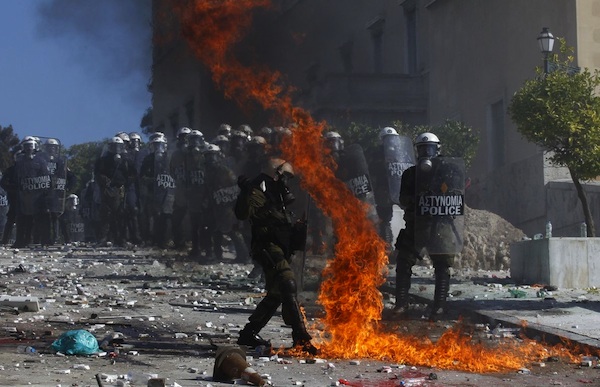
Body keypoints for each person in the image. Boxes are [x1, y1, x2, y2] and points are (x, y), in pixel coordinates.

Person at [234, 158, 317, 355]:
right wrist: (248, 191)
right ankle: (301, 337)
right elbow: (243, 214)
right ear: (275, 173)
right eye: (285, 176)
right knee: (287, 284)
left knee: (277, 293)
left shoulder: (276, 193)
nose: (287, 181)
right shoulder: (259, 189)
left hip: (278, 246)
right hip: (267, 246)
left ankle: (249, 333)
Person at [393, 132, 459, 321]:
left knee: (442, 265)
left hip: (440, 224)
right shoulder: (410, 174)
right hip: (416, 224)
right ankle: (401, 304)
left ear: (438, 150)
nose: (426, 153)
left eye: (429, 149)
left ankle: (438, 307)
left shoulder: (448, 171)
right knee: (404, 261)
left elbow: (456, 194)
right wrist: (417, 199)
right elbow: (403, 199)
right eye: (422, 149)